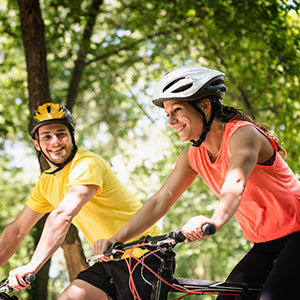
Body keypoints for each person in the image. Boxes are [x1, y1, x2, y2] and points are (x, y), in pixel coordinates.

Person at [95, 66, 300, 300]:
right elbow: (160, 202)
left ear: (204, 105)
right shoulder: (193, 156)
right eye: (167, 114)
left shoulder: (243, 135)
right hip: (265, 243)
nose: (171, 121)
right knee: (227, 297)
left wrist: (214, 221)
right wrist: (117, 240)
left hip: (298, 233)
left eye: (177, 110)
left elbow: (236, 181)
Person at [0, 102, 162, 299]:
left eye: (61, 134)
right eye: (47, 137)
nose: (55, 142)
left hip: (144, 254)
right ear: (37, 144)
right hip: (109, 259)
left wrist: (33, 265)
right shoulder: (46, 183)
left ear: (72, 136)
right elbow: (17, 230)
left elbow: (63, 215)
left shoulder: (87, 164)